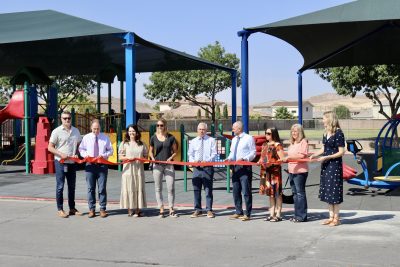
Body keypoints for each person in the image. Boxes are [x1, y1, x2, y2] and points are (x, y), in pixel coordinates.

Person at [310, 111, 345, 227]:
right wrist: (315, 154)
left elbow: (341, 152)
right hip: (326, 166)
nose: (322, 120)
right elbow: (323, 149)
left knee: (334, 191)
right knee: (328, 191)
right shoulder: (326, 133)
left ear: (330, 119)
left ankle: (336, 218)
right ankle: (330, 217)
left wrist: (327, 157)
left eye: (324, 118)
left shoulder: (338, 133)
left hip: (334, 166)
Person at [48, 110, 82, 218]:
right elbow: (50, 147)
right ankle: (60, 209)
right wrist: (60, 153)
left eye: (68, 118)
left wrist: (77, 153)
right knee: (60, 186)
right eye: (64, 118)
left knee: (72, 187)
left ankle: (72, 208)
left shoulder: (76, 131)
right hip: (61, 162)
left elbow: (79, 146)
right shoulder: (56, 131)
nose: (67, 120)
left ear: (71, 118)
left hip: (72, 163)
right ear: (61, 119)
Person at [79, 119, 113, 218]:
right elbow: (81, 149)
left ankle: (102, 209)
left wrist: (104, 155)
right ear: (91, 128)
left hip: (102, 165)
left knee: (102, 188)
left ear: (100, 128)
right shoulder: (86, 138)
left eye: (97, 129)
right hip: (90, 165)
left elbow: (111, 150)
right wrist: (86, 155)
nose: (96, 131)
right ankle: (92, 209)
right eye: (94, 129)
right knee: (90, 188)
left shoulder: (105, 138)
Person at [225, 121, 256, 221]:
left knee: (246, 191)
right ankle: (238, 211)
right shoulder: (234, 139)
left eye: (234, 128)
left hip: (245, 167)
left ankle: (248, 213)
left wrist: (245, 159)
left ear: (239, 128)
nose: (232, 129)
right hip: (235, 168)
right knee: (236, 190)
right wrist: (228, 158)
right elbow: (232, 152)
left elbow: (253, 152)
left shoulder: (248, 138)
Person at [149, 118, 179, 218]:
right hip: (157, 165)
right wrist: (152, 158)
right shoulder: (153, 137)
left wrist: (170, 158)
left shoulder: (171, 137)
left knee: (170, 188)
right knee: (158, 188)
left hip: (168, 165)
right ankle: (161, 208)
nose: (159, 127)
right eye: (158, 125)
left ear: (165, 126)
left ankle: (171, 208)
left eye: (161, 125)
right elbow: (150, 150)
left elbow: (175, 151)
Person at [188, 122, 217, 218]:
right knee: (196, 189)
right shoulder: (193, 141)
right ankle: (198, 210)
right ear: (197, 130)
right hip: (196, 168)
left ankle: (209, 210)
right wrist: (193, 161)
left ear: (206, 130)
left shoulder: (211, 140)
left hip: (207, 168)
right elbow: (190, 154)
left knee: (208, 190)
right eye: (200, 129)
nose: (201, 131)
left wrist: (206, 161)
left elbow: (214, 154)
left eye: (203, 129)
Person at [118, 124, 148, 217]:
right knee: (129, 188)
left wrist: (141, 158)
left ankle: (138, 210)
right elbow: (120, 157)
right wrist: (128, 157)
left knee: (138, 187)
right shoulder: (124, 143)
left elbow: (146, 156)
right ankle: (130, 209)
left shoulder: (142, 144)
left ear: (137, 132)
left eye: (133, 131)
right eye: (130, 131)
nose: (131, 133)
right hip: (128, 171)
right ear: (127, 132)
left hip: (138, 170)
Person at [258, 127, 285, 222]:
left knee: (277, 193)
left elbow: (282, 159)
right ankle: (271, 213)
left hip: (275, 172)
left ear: (274, 134)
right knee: (270, 194)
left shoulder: (278, 145)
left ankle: (278, 214)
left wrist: (272, 163)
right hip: (266, 172)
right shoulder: (264, 144)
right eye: (266, 133)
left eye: (269, 133)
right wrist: (259, 161)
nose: (267, 135)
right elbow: (262, 157)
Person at [283, 124, 309, 222]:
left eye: (296, 131)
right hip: (291, 171)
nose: (294, 133)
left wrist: (289, 158)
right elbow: (290, 155)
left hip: (300, 172)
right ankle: (297, 215)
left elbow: (302, 156)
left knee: (300, 193)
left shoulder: (303, 142)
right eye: (292, 131)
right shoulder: (292, 143)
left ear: (300, 132)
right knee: (294, 194)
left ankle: (302, 216)